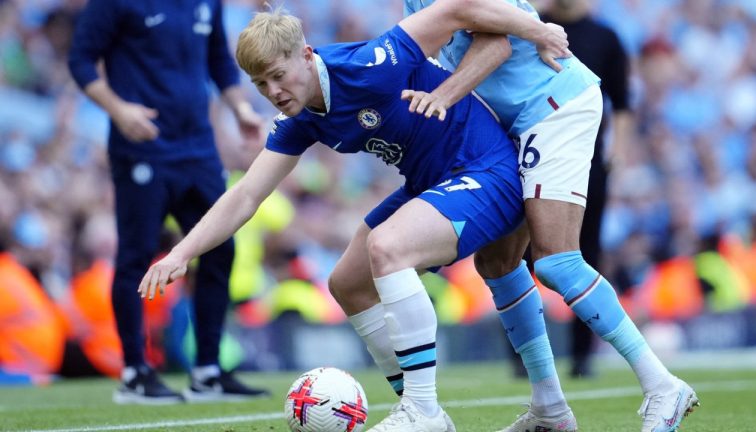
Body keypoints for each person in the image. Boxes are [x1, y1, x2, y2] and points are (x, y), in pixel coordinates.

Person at [137, 2, 572, 431]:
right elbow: (247, 195)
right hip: (434, 182)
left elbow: (458, 8)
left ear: (306, 55)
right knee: (348, 283)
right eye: (260, 83)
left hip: (486, 169)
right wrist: (181, 253)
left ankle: (423, 410)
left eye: (278, 75)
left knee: (388, 247)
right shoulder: (301, 116)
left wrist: (538, 30)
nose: (272, 91)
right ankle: (424, 414)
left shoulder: (370, 63)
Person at [330, 0, 699, 431]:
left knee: (556, 260)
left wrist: (443, 97)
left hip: (552, 105)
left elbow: (496, 46)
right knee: (497, 262)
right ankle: (550, 409)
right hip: (508, 124)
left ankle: (662, 386)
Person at [68, 0, 270, 404]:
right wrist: (118, 109)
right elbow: (81, 60)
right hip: (142, 147)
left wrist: (240, 109)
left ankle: (208, 371)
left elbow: (218, 59)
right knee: (136, 255)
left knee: (220, 248)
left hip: (198, 148)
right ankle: (135, 372)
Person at [539, 0, 634, 379]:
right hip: (530, 157)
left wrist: (618, 152)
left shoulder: (605, 37)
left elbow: (623, 102)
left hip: (587, 163)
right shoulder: (533, 26)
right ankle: (525, 354)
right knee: (515, 255)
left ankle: (582, 354)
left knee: (586, 255)